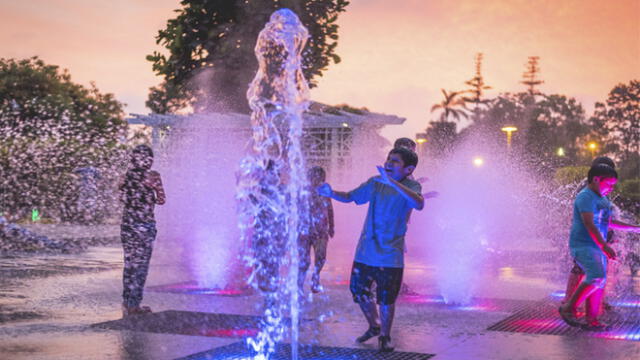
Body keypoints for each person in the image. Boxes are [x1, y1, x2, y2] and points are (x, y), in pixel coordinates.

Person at [318, 147, 424, 352]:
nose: (388, 163)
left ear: (409, 169)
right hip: (365, 251)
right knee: (359, 291)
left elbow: (418, 204)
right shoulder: (375, 182)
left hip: (390, 255)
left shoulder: (412, 185)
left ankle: (385, 336)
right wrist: (331, 193)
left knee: (386, 298)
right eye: (388, 159)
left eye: (395, 161)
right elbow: (350, 196)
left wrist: (391, 182)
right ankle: (374, 325)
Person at [559, 164, 640, 330]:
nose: (611, 188)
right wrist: (604, 246)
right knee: (596, 276)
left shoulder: (603, 199)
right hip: (583, 245)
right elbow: (589, 224)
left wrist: (634, 227)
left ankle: (592, 319)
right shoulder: (585, 197)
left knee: (600, 281)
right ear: (596, 179)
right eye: (609, 184)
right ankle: (568, 308)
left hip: (596, 246)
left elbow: (607, 222)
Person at [562, 157, 616, 307]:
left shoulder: (604, 187)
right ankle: (569, 300)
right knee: (580, 268)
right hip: (587, 238)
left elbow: (605, 215)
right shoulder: (586, 191)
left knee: (598, 270)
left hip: (599, 235)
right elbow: (586, 219)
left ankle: (597, 300)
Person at [119, 145, 166, 317]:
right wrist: (151, 195)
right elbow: (162, 200)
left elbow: (120, 197)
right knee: (141, 265)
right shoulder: (153, 176)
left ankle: (126, 301)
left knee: (129, 263)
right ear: (150, 160)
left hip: (127, 224)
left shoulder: (126, 177)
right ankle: (134, 305)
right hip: (145, 224)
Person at [298, 166, 334, 293]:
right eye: (314, 177)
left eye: (320, 177)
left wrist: (332, 227)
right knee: (304, 261)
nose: (317, 180)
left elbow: (329, 209)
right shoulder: (302, 191)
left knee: (321, 257)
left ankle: (315, 278)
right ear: (309, 178)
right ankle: (299, 285)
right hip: (304, 231)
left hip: (321, 231)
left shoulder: (325, 192)